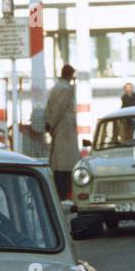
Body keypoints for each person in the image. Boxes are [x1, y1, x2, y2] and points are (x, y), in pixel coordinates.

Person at [44, 64, 80, 200]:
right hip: (64, 131)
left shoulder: (56, 87)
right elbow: (59, 108)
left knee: (59, 163)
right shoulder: (66, 89)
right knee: (66, 165)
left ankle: (61, 194)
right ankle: (63, 195)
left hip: (58, 130)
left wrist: (49, 124)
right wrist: (52, 124)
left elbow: (50, 107)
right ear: (70, 75)